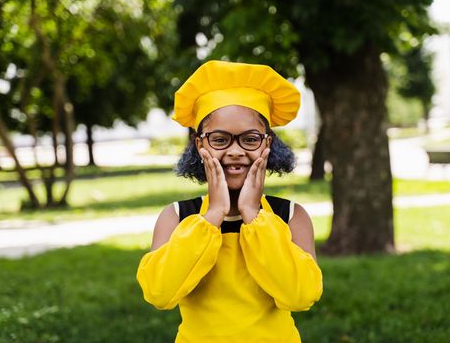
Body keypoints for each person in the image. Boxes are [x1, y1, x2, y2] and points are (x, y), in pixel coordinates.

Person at [136, 60, 323, 343]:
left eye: (250, 139)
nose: (235, 151)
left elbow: (300, 296)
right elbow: (160, 293)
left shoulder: (291, 216)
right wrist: (213, 215)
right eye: (220, 139)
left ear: (267, 143)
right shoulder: (176, 217)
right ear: (200, 144)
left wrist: (253, 215)